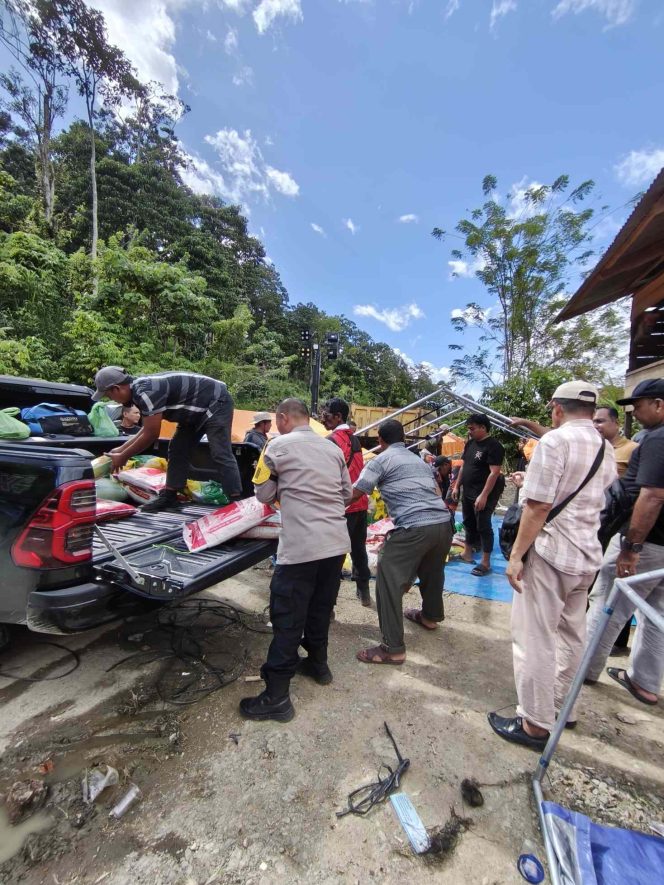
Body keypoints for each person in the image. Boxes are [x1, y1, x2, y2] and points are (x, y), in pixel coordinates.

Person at [488, 381, 617, 750]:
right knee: (572, 635)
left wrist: (515, 557)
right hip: (586, 555)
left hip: (551, 554)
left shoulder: (554, 443)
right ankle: (563, 709)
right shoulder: (604, 447)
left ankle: (534, 724)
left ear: (557, 408)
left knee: (534, 638)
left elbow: (539, 507)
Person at [240, 398, 352, 722]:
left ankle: (276, 697)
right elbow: (346, 494)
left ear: (283, 418)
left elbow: (261, 494)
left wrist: (284, 488)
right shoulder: (333, 449)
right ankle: (318, 665)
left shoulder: (276, 446)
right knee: (319, 607)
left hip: (302, 547)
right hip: (335, 545)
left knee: (288, 616)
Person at [584, 379, 664, 706]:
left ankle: (583, 670)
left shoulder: (658, 439)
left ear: (658, 404)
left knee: (609, 604)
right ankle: (644, 682)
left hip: (646, 544)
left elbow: (653, 495)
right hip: (660, 548)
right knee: (655, 612)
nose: (635, 411)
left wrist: (631, 548)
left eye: (639, 405)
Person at [351, 419, 453, 665]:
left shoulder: (380, 460)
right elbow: (437, 492)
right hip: (443, 523)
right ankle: (430, 617)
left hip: (415, 526)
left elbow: (355, 493)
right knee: (432, 571)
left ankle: (392, 648)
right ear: (403, 438)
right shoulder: (418, 461)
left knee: (387, 574)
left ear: (380, 441)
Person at [91, 366, 242, 512]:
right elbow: (146, 429)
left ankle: (236, 501)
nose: (114, 401)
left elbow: (151, 433)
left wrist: (124, 456)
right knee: (177, 448)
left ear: (117, 388)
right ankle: (170, 496)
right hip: (193, 411)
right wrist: (120, 450)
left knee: (220, 451)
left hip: (216, 402)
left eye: (109, 396)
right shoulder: (138, 392)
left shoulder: (145, 392)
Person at [320, 397, 372, 606]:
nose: (324, 418)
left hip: (343, 506)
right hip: (359, 505)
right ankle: (364, 593)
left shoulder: (331, 440)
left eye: (326, 414)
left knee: (334, 558)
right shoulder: (355, 439)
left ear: (338, 416)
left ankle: (328, 606)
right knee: (359, 551)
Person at [452, 414, 505, 577]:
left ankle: (485, 562)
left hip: (483, 494)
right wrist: (456, 486)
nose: (470, 432)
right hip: (468, 491)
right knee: (468, 522)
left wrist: (483, 496)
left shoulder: (494, 446)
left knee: (483, 525)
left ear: (483, 427)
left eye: (472, 428)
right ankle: (467, 554)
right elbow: (464, 466)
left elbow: (494, 473)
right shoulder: (470, 444)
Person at [593, 405, 637, 478]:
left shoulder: (633, 448)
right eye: (592, 422)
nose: (594, 426)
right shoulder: (589, 448)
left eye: (599, 421)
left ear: (616, 423)